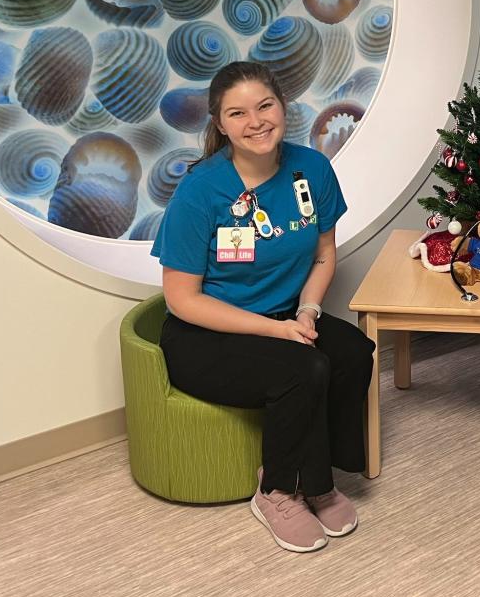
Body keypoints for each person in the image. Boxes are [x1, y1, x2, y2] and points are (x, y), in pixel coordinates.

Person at [150, 61, 375, 553]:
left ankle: (317, 478)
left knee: (355, 350)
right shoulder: (200, 191)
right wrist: (275, 332)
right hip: (206, 333)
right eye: (237, 113)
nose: (255, 121)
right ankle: (276, 489)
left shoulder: (310, 168)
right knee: (303, 368)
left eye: (264, 105)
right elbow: (182, 299)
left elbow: (323, 253)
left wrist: (309, 312)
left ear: (283, 106)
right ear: (220, 123)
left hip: (285, 314)